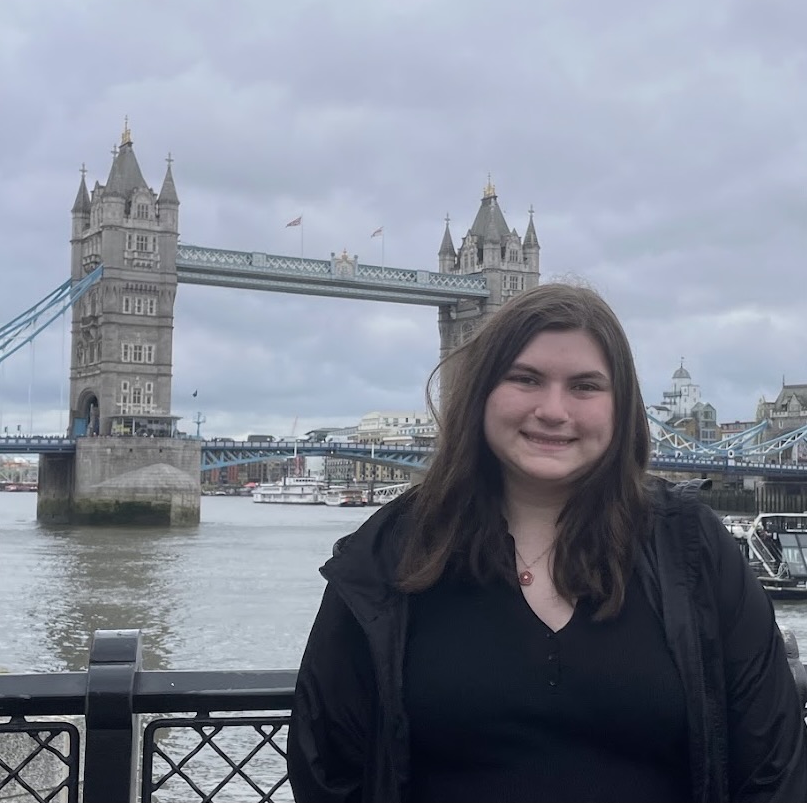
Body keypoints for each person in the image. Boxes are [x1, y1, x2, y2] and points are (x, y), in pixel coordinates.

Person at [287, 283, 807, 803]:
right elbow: (329, 766)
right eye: (526, 379)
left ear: (622, 407)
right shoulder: (391, 551)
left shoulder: (693, 546)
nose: (554, 410)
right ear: (481, 393)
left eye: (585, 386)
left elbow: (771, 766)